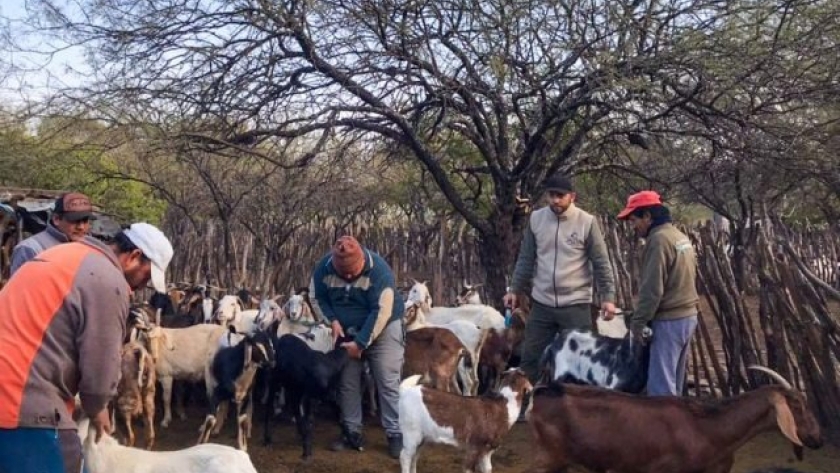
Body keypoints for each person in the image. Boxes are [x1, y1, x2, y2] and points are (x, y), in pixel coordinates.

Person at [0, 222, 174, 473]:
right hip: (23, 403)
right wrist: (98, 407)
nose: (141, 286)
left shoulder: (64, 254)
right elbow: (100, 365)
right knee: (67, 459)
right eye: (146, 276)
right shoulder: (107, 280)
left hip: (11, 391)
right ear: (134, 256)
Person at [504, 173, 617, 384]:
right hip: (542, 303)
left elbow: (601, 262)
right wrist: (514, 289)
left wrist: (608, 297)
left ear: (572, 196)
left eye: (560, 196)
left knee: (581, 360)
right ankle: (527, 405)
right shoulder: (537, 219)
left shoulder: (586, 222)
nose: (555, 200)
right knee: (530, 357)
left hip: (576, 304)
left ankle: (579, 410)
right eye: (551, 195)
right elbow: (526, 258)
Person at [309, 235, 405, 459]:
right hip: (344, 328)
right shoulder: (323, 269)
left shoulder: (379, 272)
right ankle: (351, 432)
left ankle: (396, 434)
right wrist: (331, 320)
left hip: (384, 327)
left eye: (353, 271)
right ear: (335, 265)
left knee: (387, 379)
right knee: (347, 381)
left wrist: (361, 343)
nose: (349, 276)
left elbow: (381, 311)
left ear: (362, 259)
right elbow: (317, 298)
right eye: (344, 273)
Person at [617, 190, 699, 396]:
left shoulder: (658, 240)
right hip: (687, 317)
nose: (633, 226)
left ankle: (665, 428)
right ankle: (678, 426)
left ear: (648, 216)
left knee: (661, 390)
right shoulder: (679, 236)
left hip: (669, 321)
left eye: (634, 219)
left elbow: (652, 290)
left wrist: (638, 322)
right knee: (674, 384)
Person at [10, 192, 97, 276]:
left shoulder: (88, 248)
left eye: (85, 221)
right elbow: (19, 289)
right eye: (75, 220)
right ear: (56, 219)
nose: (81, 227)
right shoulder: (30, 249)